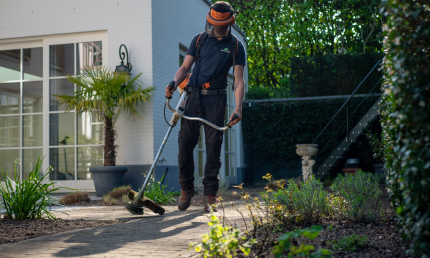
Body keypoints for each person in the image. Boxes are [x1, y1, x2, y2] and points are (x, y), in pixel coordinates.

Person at [165, 1, 246, 212]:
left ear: (229, 22)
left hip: (215, 101)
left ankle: (210, 196)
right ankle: (186, 190)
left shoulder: (236, 46)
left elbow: (238, 81)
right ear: (209, 21)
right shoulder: (199, 40)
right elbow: (184, 67)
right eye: (213, 23)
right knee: (184, 146)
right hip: (192, 98)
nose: (216, 27)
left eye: (221, 24)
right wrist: (174, 83)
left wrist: (238, 108)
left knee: (213, 149)